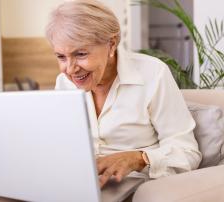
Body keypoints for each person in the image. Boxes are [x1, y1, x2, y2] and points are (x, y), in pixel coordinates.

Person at [45, 0, 202, 188]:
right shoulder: (64, 83)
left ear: (111, 44)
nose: (70, 69)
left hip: (137, 187)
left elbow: (188, 152)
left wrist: (139, 158)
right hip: (81, 184)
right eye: (61, 57)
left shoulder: (153, 74)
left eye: (80, 54)